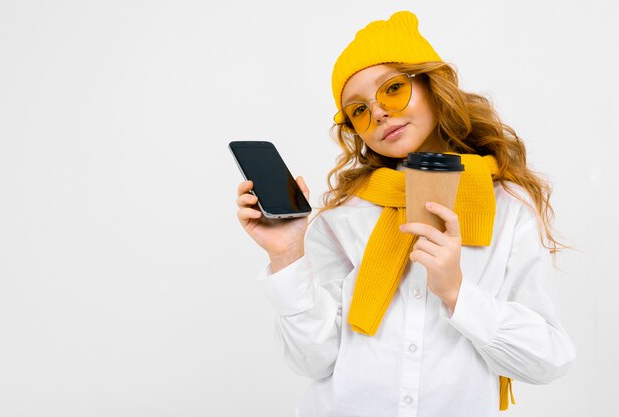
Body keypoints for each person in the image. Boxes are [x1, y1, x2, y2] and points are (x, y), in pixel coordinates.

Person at [235, 10, 576, 417]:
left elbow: (548, 359)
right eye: (358, 110)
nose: (377, 112)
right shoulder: (344, 215)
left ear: (432, 84)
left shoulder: (507, 207)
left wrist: (457, 292)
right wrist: (287, 254)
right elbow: (314, 360)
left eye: (392, 89)